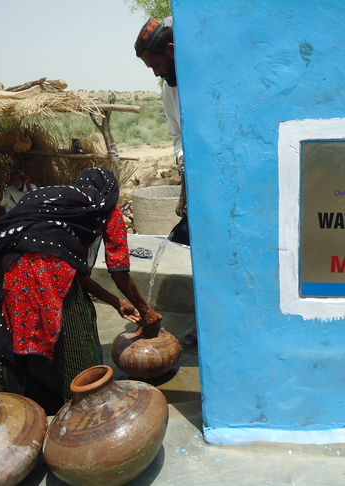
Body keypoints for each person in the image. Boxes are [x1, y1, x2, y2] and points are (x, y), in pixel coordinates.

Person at [0, 167, 162, 413]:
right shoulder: (104, 207)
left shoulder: (58, 202)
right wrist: (146, 311)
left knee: (31, 342)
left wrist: (117, 303)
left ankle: (43, 412)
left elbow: (74, 272)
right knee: (76, 344)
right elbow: (119, 273)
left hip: (8, 275)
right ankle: (84, 410)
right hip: (48, 277)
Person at [135, 17, 196, 348]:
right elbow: (177, 136)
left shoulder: (206, 77)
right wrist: (185, 163)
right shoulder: (168, 91)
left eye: (157, 64)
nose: (157, 73)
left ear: (172, 50)